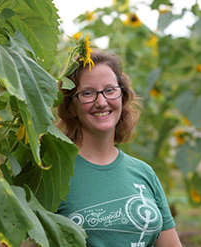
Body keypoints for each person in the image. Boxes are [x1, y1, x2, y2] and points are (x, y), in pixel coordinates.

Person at [56, 48, 182, 247]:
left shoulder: (144, 173)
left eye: (110, 90)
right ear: (70, 106)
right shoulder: (53, 172)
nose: (101, 102)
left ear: (122, 97)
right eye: (88, 93)